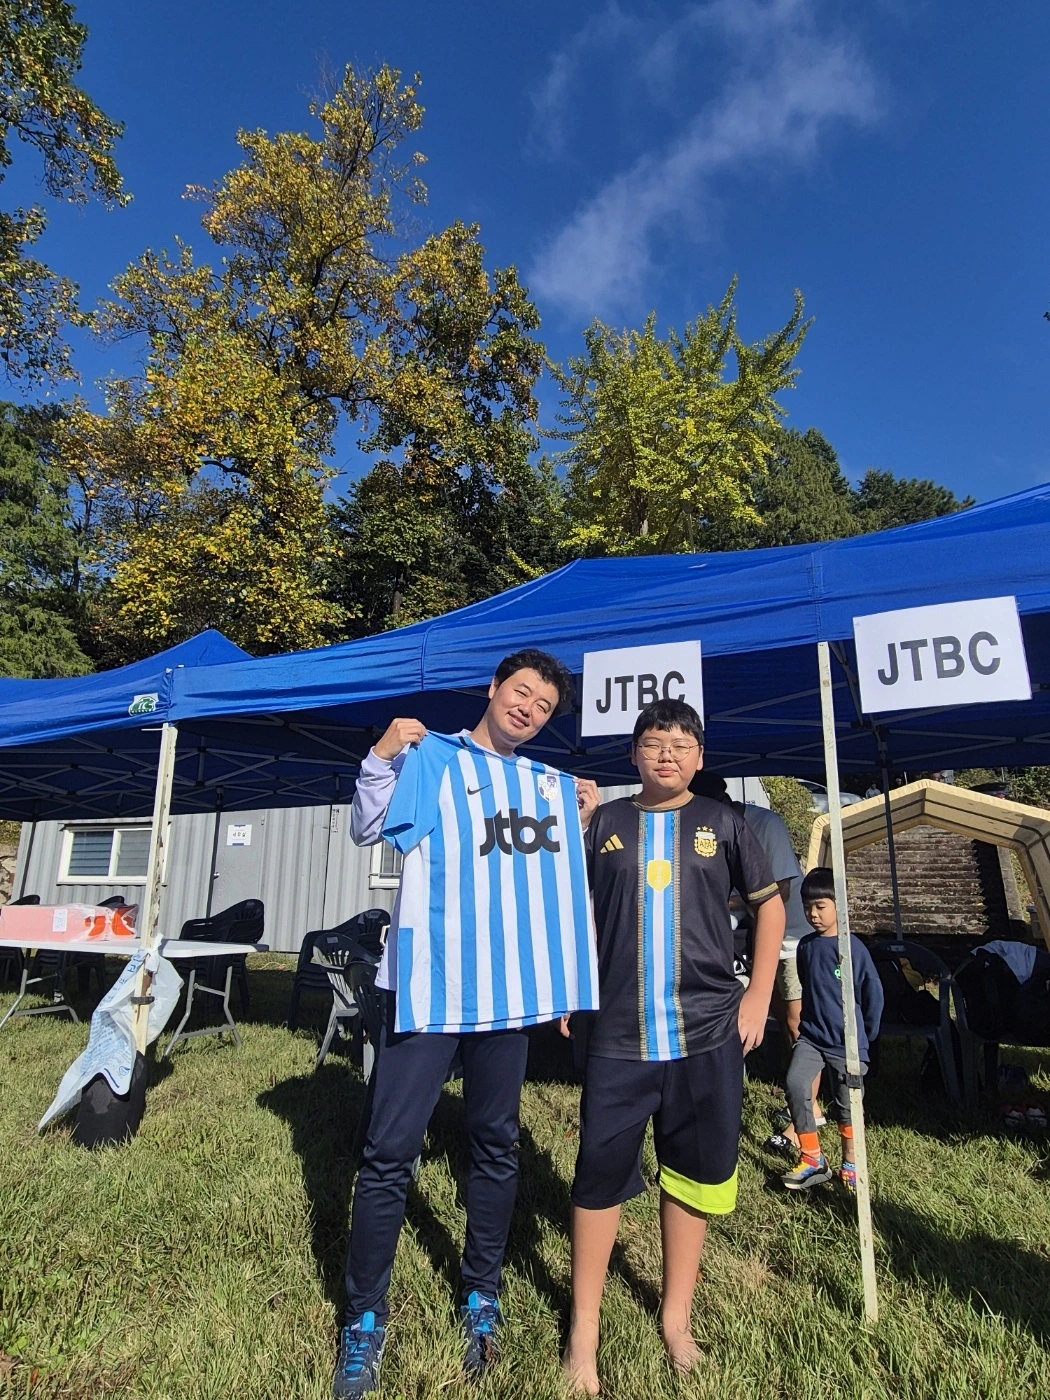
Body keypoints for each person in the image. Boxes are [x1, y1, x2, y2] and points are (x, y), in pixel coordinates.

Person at [333, 649, 601, 1399]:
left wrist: (577, 820)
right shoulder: (435, 758)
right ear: (493, 688)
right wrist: (380, 757)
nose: (528, 710)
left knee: (495, 1142)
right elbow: (369, 827)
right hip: (430, 982)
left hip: (505, 992)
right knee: (389, 1150)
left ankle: (481, 1293)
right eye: (521, 693)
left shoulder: (546, 788)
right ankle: (363, 1317)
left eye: (543, 707)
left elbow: (552, 883)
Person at [561, 699, 785, 1394]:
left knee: (692, 1172)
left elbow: (771, 906)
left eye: (681, 745)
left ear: (700, 757)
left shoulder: (726, 822)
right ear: (633, 755)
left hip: (706, 1032)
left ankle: (675, 1317)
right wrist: (570, 986)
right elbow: (569, 907)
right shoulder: (606, 823)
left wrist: (759, 994)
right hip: (619, 1033)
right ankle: (584, 1329)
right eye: (654, 743)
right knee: (599, 1174)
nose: (666, 754)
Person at [689, 772, 817, 1155]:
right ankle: (791, 1102)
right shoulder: (710, 830)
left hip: (792, 941)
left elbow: (781, 892)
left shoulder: (765, 824)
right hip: (750, 939)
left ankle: (805, 1120)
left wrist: (718, 899)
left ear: (724, 805)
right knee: (765, 1021)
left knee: (797, 1026)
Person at [780, 866, 884, 1193]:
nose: (813, 914)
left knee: (847, 1104)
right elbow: (808, 985)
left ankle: (850, 1162)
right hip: (812, 1038)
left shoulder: (853, 949)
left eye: (820, 906)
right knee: (795, 1083)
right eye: (807, 907)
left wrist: (865, 1038)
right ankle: (812, 1158)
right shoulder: (805, 947)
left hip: (846, 1044)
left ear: (839, 905)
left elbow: (872, 994)